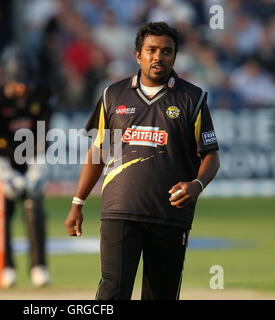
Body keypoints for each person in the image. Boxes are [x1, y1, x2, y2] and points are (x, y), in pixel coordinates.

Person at [65, 22, 220, 300]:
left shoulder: (193, 98)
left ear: (175, 56)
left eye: (166, 51)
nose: (158, 57)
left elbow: (211, 156)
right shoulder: (112, 95)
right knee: (112, 292)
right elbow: (98, 151)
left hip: (170, 215)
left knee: (160, 295)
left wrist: (197, 184)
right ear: (138, 54)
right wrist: (78, 202)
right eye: (151, 50)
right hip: (119, 210)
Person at [0, 46, 52, 288]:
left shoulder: (41, 94)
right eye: (17, 83)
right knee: (1, 210)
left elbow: (43, 135)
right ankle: (7, 267)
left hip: (30, 160)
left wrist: (37, 168)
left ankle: (39, 267)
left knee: (34, 207)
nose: (22, 88)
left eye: (26, 82)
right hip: (3, 162)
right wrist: (5, 175)